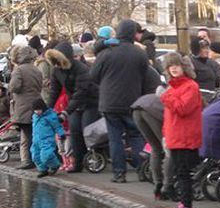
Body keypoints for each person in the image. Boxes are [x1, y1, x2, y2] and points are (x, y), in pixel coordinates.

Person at [90, 18, 148, 183]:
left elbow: (93, 76)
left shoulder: (106, 53)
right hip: (132, 101)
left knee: (115, 138)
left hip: (110, 102)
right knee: (136, 136)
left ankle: (119, 173)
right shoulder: (139, 53)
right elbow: (145, 76)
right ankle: (142, 170)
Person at [158, 52, 202, 208]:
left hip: (185, 137)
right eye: (171, 66)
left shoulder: (190, 86)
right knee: (180, 173)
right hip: (175, 137)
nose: (174, 68)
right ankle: (184, 205)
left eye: (177, 65)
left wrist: (166, 96)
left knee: (183, 174)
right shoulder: (173, 88)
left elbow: (183, 108)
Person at [45, 41, 100, 173]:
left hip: (90, 101)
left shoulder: (81, 69)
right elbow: (54, 91)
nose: (57, 64)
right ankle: (78, 163)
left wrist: (66, 112)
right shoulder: (57, 71)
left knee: (87, 129)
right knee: (74, 131)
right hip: (74, 103)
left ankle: (96, 155)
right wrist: (48, 109)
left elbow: (81, 91)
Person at [8, 45, 43, 170]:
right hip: (37, 104)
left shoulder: (19, 70)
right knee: (35, 133)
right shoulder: (37, 69)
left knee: (25, 135)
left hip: (23, 105)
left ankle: (27, 160)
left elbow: (14, 87)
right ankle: (36, 158)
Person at [30, 98, 65, 178]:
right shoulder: (35, 116)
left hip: (47, 140)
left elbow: (57, 126)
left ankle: (55, 165)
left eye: (39, 110)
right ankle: (43, 170)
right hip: (36, 140)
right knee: (35, 156)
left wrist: (61, 133)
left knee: (46, 155)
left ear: (43, 108)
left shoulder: (50, 116)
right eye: (35, 110)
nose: (37, 112)